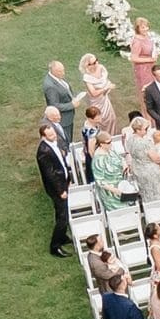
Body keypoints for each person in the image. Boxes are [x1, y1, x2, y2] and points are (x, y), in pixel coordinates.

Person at [37, 123, 73, 256]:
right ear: (43, 137)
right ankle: (55, 246)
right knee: (63, 218)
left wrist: (67, 179)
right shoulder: (43, 152)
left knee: (62, 213)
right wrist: (61, 191)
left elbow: (60, 163)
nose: (54, 136)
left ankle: (62, 237)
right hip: (57, 189)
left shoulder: (53, 144)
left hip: (63, 183)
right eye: (50, 135)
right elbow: (50, 174)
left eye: (54, 133)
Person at [123, 113, 160, 203]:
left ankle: (149, 210)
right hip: (149, 171)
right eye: (145, 129)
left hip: (138, 169)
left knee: (145, 193)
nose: (147, 131)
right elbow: (155, 158)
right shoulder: (145, 142)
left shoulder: (130, 140)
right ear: (138, 130)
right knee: (156, 192)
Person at [88, 131, 133, 210]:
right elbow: (100, 181)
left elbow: (120, 158)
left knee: (130, 209)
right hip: (111, 192)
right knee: (120, 214)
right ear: (101, 144)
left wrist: (124, 164)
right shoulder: (98, 160)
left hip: (121, 185)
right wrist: (116, 191)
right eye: (108, 142)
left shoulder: (110, 150)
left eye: (111, 141)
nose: (111, 144)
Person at [80, 53, 120, 139]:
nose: (96, 64)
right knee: (99, 120)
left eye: (96, 61)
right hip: (96, 102)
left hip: (105, 99)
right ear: (87, 65)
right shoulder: (87, 77)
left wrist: (108, 85)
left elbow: (105, 80)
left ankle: (112, 138)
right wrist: (106, 88)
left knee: (111, 119)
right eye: (92, 63)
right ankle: (101, 139)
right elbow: (93, 93)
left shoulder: (101, 68)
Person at [43, 61, 78, 144]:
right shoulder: (50, 86)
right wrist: (71, 105)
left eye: (63, 70)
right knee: (66, 141)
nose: (63, 73)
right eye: (60, 71)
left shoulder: (57, 78)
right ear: (53, 71)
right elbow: (54, 105)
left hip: (68, 117)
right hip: (63, 120)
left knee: (69, 138)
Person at [128, 17, 159, 97]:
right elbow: (134, 58)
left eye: (146, 26)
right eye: (143, 27)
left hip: (150, 66)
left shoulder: (146, 36)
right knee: (147, 91)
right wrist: (150, 59)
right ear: (137, 29)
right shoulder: (137, 42)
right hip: (142, 69)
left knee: (154, 88)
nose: (146, 29)